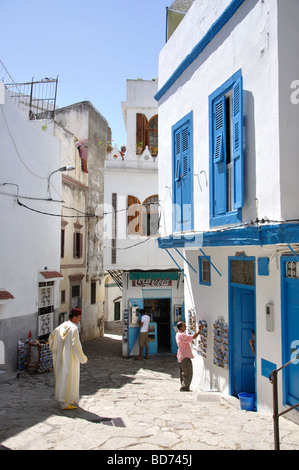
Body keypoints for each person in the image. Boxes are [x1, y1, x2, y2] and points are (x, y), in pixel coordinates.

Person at [49, 309, 88, 410]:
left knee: (61, 378)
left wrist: (55, 350)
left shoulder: (62, 326)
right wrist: (83, 358)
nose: (79, 320)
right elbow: (76, 345)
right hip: (70, 358)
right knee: (69, 379)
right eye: (79, 318)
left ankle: (62, 400)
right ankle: (65, 403)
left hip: (60, 358)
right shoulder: (73, 329)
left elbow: (51, 337)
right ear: (74, 317)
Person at [176, 320, 203, 391]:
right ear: (181, 327)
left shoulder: (178, 334)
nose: (186, 326)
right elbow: (193, 337)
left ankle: (184, 386)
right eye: (184, 325)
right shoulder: (182, 335)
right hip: (185, 356)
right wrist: (199, 330)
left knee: (184, 372)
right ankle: (185, 387)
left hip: (181, 356)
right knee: (188, 372)